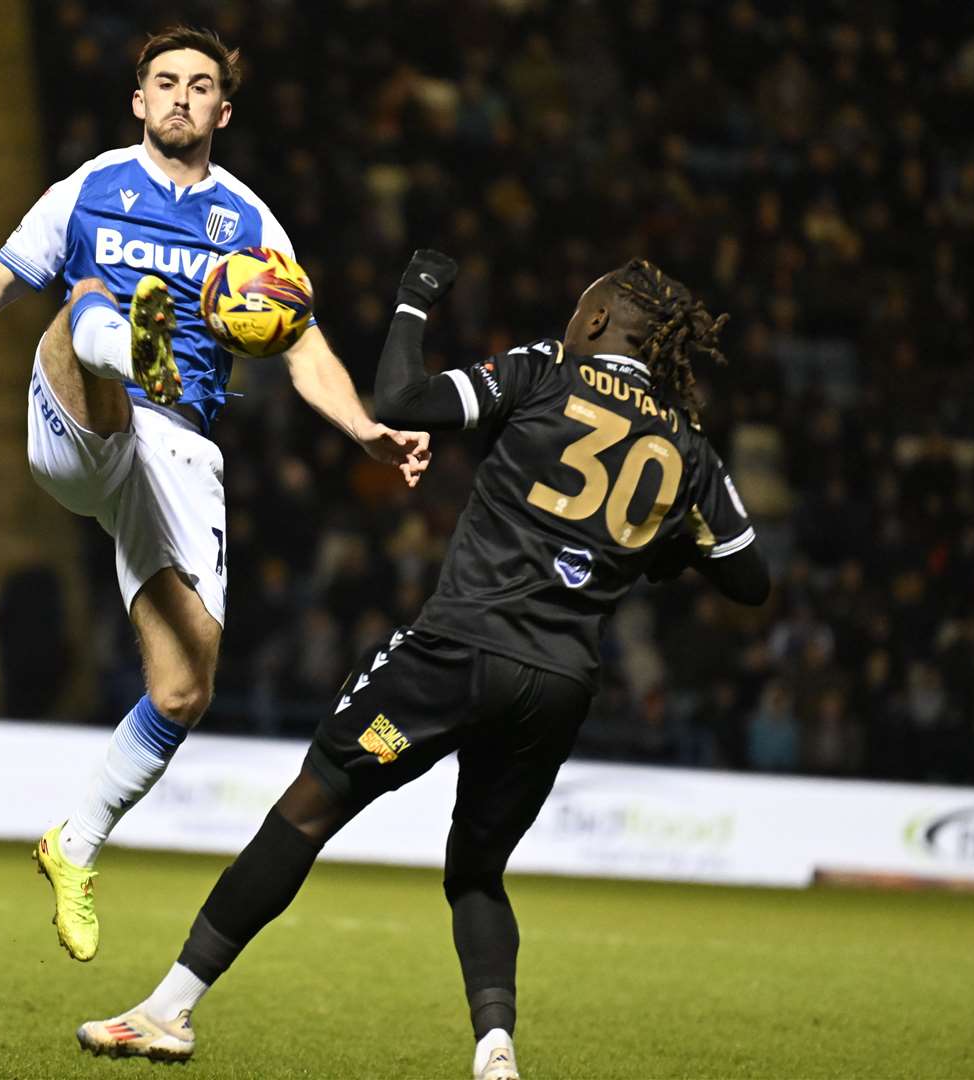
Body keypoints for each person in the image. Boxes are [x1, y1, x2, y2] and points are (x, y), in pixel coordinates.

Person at [0, 25, 430, 961]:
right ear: (138, 100)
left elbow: (302, 348)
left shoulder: (252, 225)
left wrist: (366, 429)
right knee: (78, 303)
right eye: (164, 82)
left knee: (183, 690)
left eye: (199, 85)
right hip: (80, 418)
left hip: (178, 457)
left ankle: (73, 842)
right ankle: (125, 342)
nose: (180, 96)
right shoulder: (89, 189)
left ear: (223, 109)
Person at [74, 251, 770, 1079]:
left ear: (593, 322)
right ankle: (495, 1053)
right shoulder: (688, 446)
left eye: (576, 308)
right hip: (556, 685)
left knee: (305, 813)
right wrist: (658, 553)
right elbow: (749, 578)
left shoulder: (546, 371)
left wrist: (409, 303)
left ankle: (166, 1012)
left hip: (454, 652)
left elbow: (401, 401)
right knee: (477, 873)